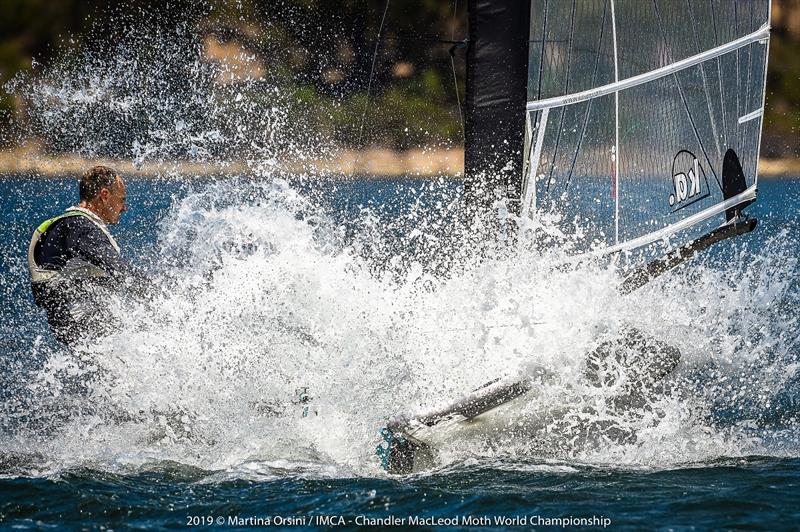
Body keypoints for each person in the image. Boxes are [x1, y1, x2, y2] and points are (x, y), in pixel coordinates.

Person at [28, 165, 150, 345]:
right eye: (121, 200)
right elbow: (119, 269)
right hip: (85, 326)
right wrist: (161, 298)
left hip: (75, 326)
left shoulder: (71, 225)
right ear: (105, 195)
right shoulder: (80, 227)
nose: (124, 207)